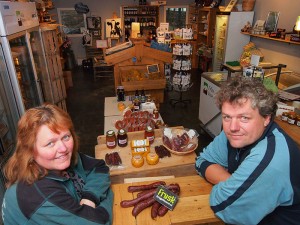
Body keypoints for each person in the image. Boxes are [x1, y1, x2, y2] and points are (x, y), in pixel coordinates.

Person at [195, 77, 300, 225]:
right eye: (227, 117)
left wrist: (236, 188)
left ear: (266, 118)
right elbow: (202, 161)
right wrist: (236, 184)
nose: (233, 127)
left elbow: (225, 206)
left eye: (244, 118)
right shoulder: (235, 134)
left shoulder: (270, 157)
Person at [2, 103, 113, 225]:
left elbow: (99, 168)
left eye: (66, 137)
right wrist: (108, 193)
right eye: (50, 143)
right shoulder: (37, 194)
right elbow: (99, 222)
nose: (63, 148)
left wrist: (90, 198)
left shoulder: (60, 161)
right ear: (30, 151)